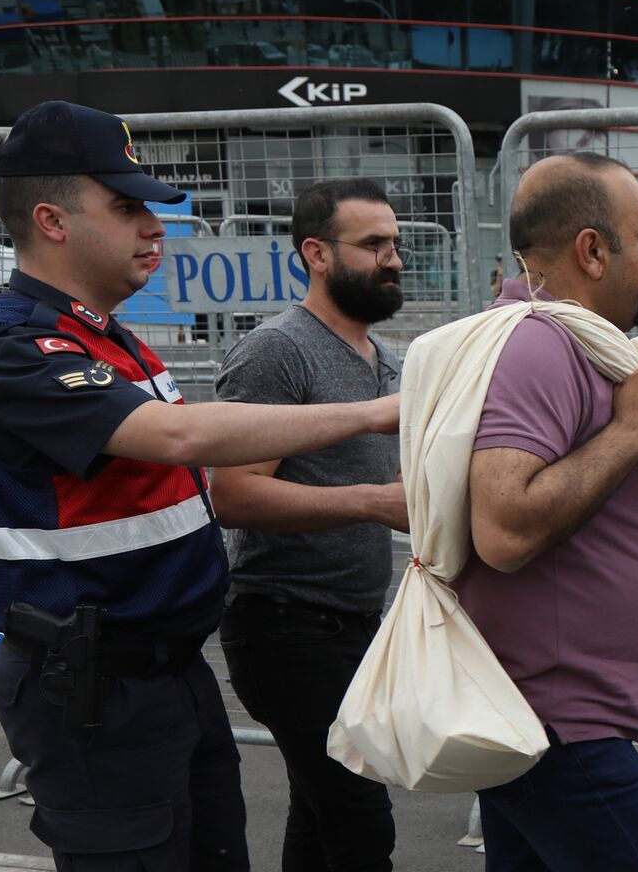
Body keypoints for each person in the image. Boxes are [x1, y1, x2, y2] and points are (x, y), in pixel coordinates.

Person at [0, 101, 399, 871]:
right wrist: (375, 414)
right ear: (51, 221)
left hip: (162, 673)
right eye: (126, 208)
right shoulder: (16, 344)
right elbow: (179, 439)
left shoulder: (102, 335)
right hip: (96, 689)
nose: (154, 227)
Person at [451, 151, 638, 871]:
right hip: (562, 726)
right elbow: (504, 528)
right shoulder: (537, 343)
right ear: (592, 249)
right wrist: (632, 431)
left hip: (548, 717)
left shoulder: (551, 336)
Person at [210, 178, 406, 871]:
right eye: (373, 244)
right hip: (284, 626)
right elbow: (231, 493)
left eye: (395, 242)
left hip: (351, 624)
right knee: (358, 824)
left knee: (320, 818)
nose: (393, 259)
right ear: (317, 254)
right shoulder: (278, 351)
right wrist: (372, 502)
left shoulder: (389, 360)